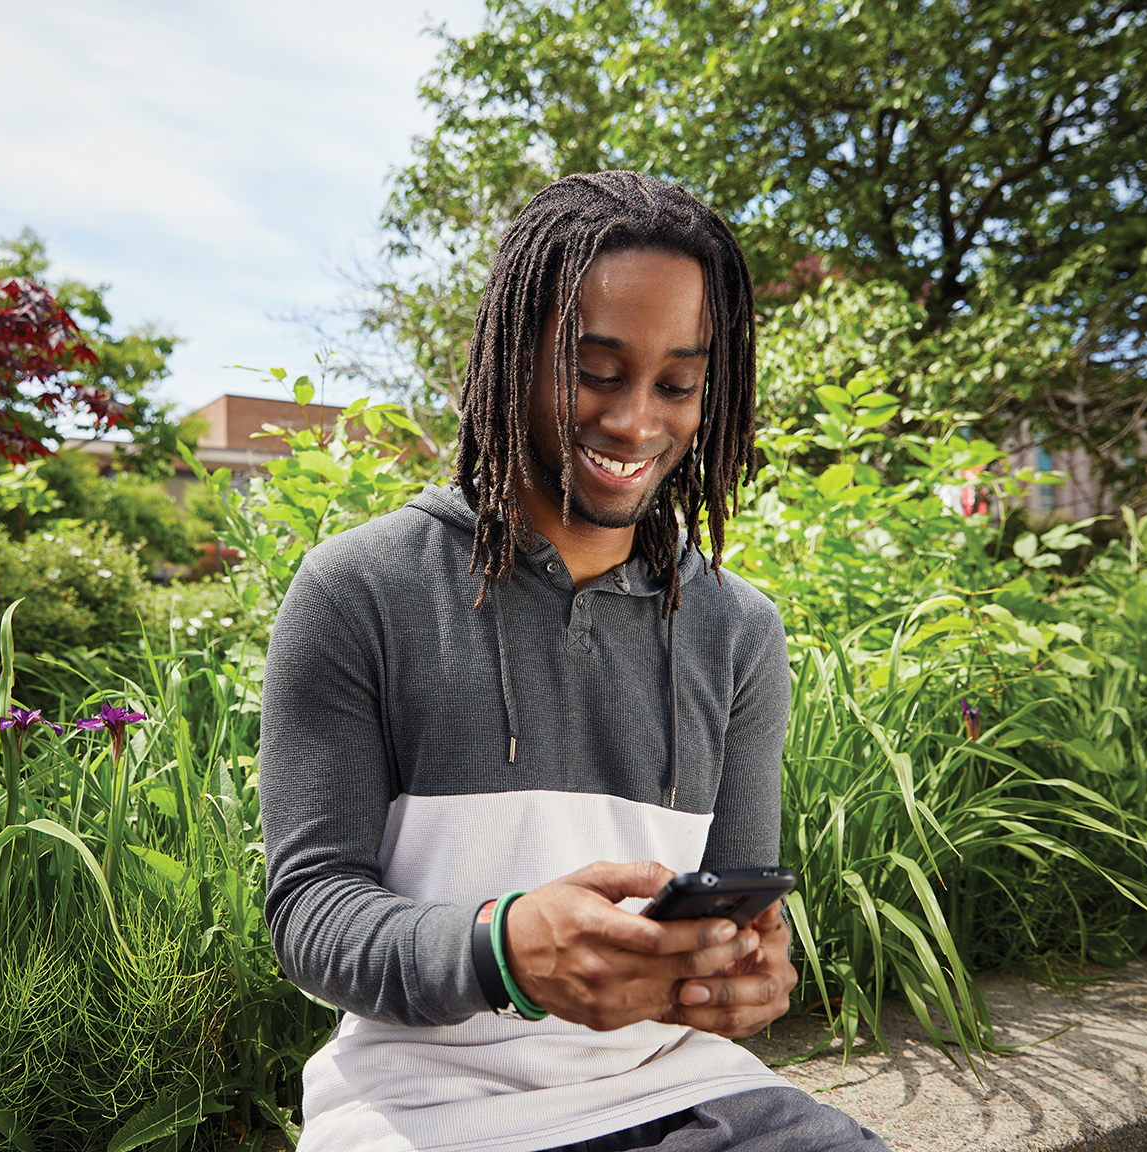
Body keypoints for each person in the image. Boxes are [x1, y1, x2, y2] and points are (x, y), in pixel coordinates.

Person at [260, 171, 887, 1152]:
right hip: (422, 1106)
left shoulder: (739, 631)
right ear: (510, 357)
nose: (637, 422)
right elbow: (311, 914)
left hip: (676, 1086)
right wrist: (499, 949)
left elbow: (735, 901)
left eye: (677, 383)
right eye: (595, 371)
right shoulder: (358, 590)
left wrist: (748, 974)